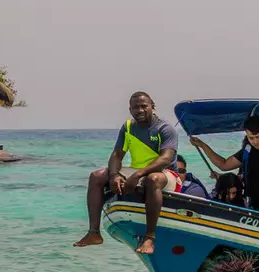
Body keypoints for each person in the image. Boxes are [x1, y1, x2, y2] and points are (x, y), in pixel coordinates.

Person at [75, 91, 184, 255]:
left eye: (144, 106)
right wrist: (114, 175)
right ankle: (94, 233)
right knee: (97, 176)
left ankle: (150, 237)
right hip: (137, 171)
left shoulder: (165, 128)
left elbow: (166, 159)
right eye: (135, 107)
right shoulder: (127, 127)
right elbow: (117, 155)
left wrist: (138, 175)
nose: (140, 110)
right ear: (130, 109)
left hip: (165, 174)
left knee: (153, 179)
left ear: (152, 106)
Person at [188, 113, 259, 212]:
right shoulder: (247, 151)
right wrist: (203, 146)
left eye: (258, 137)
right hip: (253, 207)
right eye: (251, 138)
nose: (255, 142)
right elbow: (224, 164)